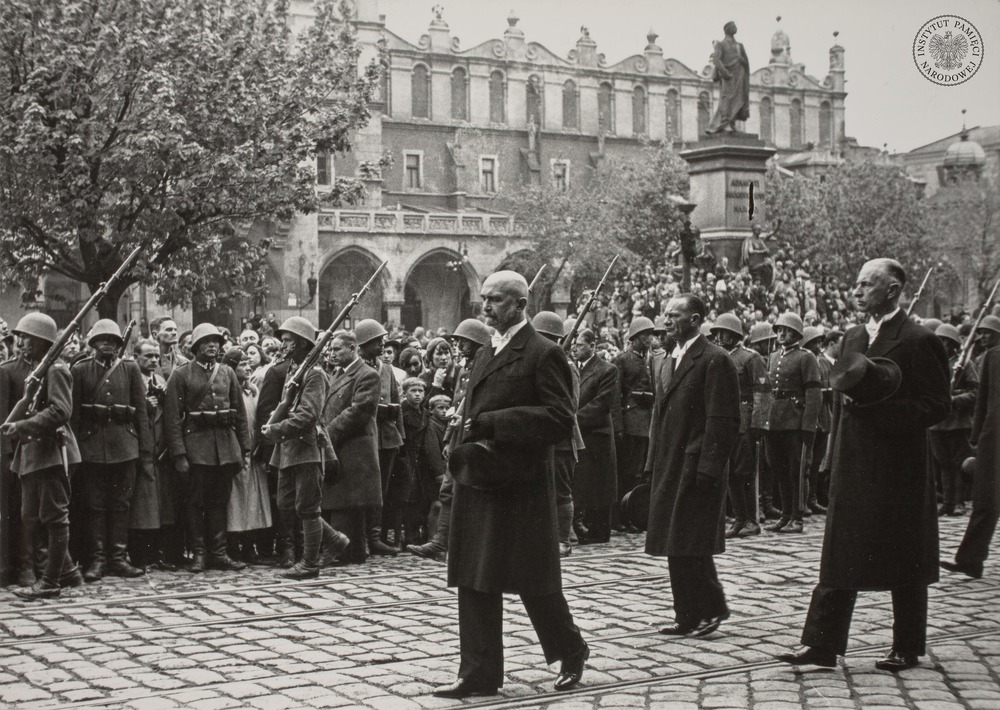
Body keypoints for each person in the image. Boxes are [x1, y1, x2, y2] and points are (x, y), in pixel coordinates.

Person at [777, 258, 950, 672]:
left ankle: (907, 645)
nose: (856, 291)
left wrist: (883, 413)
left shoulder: (918, 339)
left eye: (865, 284)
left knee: (904, 552)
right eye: (855, 285)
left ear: (891, 289)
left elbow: (936, 405)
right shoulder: (852, 335)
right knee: (840, 549)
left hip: (899, 465)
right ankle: (821, 644)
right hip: (853, 460)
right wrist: (833, 456)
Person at [435, 271, 588, 699]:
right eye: (483, 299)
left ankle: (571, 649)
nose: (486, 307)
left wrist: (493, 424)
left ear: (520, 304)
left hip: (520, 485)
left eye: (497, 300)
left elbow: (560, 418)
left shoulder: (542, 352)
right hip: (479, 478)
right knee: (474, 575)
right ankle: (478, 672)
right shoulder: (486, 351)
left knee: (532, 579)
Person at [644, 294, 740, 637]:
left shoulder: (715, 360)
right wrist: (652, 463)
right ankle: (685, 614)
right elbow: (661, 416)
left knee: (692, 540)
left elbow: (723, 420)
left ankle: (711, 610)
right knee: (675, 540)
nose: (667, 320)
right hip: (671, 463)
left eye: (675, 315)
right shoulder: (670, 358)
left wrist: (709, 468)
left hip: (696, 465)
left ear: (696, 320)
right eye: (666, 314)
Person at [1, 313, 84, 599]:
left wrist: (22, 426)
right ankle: (68, 572)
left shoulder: (56, 369)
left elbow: (61, 411)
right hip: (34, 453)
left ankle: (51, 581)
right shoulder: (38, 368)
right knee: (31, 516)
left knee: (54, 517)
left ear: (39, 341)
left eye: (25, 337)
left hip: (53, 451)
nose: (20, 342)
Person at [260, 318, 349, 578]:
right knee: (287, 503)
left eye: (288, 340)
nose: (283, 345)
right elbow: (287, 403)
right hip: (289, 449)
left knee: (308, 506)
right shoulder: (294, 370)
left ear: (300, 343)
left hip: (307, 446)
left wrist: (276, 429)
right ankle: (334, 539)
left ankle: (310, 563)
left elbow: (308, 415)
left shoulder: (315, 374)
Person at [163, 323, 250, 573]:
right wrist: (179, 454)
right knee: (195, 503)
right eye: (206, 342)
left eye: (216, 342)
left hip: (225, 447)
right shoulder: (181, 375)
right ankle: (199, 553)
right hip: (196, 449)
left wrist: (244, 448)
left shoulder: (227, 373)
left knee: (219, 502)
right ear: (195, 347)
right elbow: (172, 418)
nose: (212, 346)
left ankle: (219, 553)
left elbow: (240, 414)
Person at [71, 319, 150, 582]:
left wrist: (145, 451)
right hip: (91, 448)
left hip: (125, 447)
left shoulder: (130, 368)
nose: (107, 344)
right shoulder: (80, 369)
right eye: (101, 340)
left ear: (119, 344)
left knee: (121, 505)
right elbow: (74, 417)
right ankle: (97, 560)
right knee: (94, 506)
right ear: (93, 343)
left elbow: (140, 413)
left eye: (112, 341)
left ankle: (118, 558)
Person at [407, 317, 491, 563]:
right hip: (459, 435)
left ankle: (470, 543)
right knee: (448, 488)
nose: (459, 347)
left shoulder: (486, 367)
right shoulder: (467, 369)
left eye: (464, 342)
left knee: (473, 492)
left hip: (477, 436)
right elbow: (458, 404)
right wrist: (448, 439)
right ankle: (441, 541)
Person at [321, 331, 382, 564]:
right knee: (345, 500)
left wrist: (328, 433)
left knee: (348, 501)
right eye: (331, 349)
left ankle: (344, 551)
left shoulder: (367, 374)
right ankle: (353, 551)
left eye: (337, 349)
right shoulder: (338, 373)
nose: (332, 353)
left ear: (352, 348)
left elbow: (359, 411)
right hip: (342, 444)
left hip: (355, 446)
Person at [941, 341, 999, 579]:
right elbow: (983, 398)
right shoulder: (993, 357)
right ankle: (970, 560)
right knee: (985, 499)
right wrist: (976, 437)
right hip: (993, 438)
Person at [709, 314, 768, 539]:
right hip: (725, 422)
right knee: (731, 472)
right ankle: (739, 518)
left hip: (745, 422)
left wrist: (758, 425)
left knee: (745, 472)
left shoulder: (750, 358)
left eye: (723, 332)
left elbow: (762, 393)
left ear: (734, 334)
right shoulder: (719, 356)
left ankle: (752, 519)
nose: (719, 337)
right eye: (717, 333)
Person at [762, 312, 821, 534]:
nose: (781, 334)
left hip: (795, 423)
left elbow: (814, 394)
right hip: (775, 422)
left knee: (796, 471)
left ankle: (797, 517)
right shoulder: (774, 356)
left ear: (796, 333)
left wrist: (808, 426)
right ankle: (785, 515)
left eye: (786, 330)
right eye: (778, 330)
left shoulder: (806, 357)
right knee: (779, 469)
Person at [355, 319, 405, 555]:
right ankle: (362, 537)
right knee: (363, 488)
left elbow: (396, 401)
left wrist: (400, 435)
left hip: (386, 437)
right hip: (363, 438)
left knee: (380, 489)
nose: (382, 345)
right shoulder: (354, 368)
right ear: (364, 344)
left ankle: (375, 536)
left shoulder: (386, 369)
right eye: (377, 342)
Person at [129, 338, 176, 572]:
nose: (153, 361)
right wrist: (143, 406)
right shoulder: (131, 380)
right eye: (148, 356)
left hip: (160, 451)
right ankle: (140, 555)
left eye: (156, 357)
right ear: (136, 357)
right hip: (140, 451)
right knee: (142, 507)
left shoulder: (160, 380)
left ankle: (158, 553)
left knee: (161, 506)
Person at [221, 347, 271, 565]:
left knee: (252, 502)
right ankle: (233, 547)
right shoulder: (229, 393)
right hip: (236, 453)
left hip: (253, 452)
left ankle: (250, 547)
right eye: (242, 364)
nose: (248, 367)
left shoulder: (253, 391)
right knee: (235, 503)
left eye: (249, 363)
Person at [571, 328, 620, 547]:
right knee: (581, 483)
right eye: (573, 345)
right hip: (578, 434)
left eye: (580, 345)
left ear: (592, 345)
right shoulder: (571, 369)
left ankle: (599, 531)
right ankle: (582, 527)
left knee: (600, 485)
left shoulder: (607, 370)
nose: (575, 349)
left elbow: (601, 404)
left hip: (595, 435)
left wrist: (572, 419)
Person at [928, 324, 978, 517]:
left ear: (953, 344)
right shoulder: (932, 363)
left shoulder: (964, 364)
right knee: (943, 463)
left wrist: (954, 398)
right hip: (937, 422)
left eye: (945, 341)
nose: (941, 344)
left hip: (957, 421)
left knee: (959, 463)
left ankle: (959, 502)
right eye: (939, 341)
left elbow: (975, 393)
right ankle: (948, 502)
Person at [612, 316, 656, 528]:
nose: (649, 339)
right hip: (631, 422)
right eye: (645, 335)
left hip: (647, 422)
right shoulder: (622, 360)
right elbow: (616, 396)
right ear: (635, 338)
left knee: (640, 473)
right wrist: (619, 426)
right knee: (627, 472)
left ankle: (634, 514)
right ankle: (620, 516)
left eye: (650, 335)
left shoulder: (652, 359)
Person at [705, 21, 750, 134]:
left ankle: (731, 123)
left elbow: (746, 62)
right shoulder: (721, 44)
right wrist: (725, 73)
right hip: (728, 77)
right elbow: (716, 59)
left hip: (739, 76)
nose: (736, 28)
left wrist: (741, 60)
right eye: (734, 26)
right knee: (727, 99)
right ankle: (722, 124)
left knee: (738, 100)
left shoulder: (740, 46)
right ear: (728, 29)